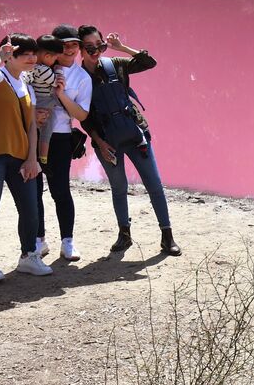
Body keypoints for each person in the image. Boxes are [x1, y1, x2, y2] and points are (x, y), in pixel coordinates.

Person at [78, 25, 181, 256]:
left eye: (100, 46)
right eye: (90, 48)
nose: (96, 52)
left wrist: (122, 48)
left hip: (136, 135)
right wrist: (100, 143)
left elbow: (149, 63)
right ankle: (124, 235)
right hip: (107, 142)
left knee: (154, 185)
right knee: (118, 188)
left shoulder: (116, 64)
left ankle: (167, 236)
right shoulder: (78, 78)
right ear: (80, 51)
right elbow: (83, 118)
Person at [0, 33, 53, 283]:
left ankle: (28, 256)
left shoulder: (25, 85)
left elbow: (30, 128)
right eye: (24, 54)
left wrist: (32, 159)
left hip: (19, 155)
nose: (31, 58)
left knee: (30, 207)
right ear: (10, 57)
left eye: (32, 54)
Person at [35, 24, 91, 261]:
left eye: (74, 45)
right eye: (64, 45)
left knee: (61, 191)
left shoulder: (82, 77)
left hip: (60, 137)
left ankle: (67, 241)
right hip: (32, 135)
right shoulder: (39, 67)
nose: (70, 50)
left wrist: (60, 94)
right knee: (33, 191)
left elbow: (81, 115)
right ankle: (38, 240)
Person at [27, 35, 64, 167]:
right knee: (47, 130)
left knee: (35, 129)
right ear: (47, 56)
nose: (55, 61)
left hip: (37, 101)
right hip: (45, 102)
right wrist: (59, 72)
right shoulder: (45, 70)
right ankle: (43, 158)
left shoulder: (32, 67)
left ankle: (38, 156)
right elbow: (56, 83)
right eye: (55, 58)